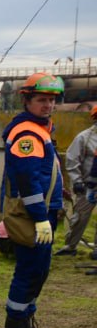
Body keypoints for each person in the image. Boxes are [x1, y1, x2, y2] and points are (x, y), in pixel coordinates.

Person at [0, 72, 66, 328]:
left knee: (39, 271)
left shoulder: (40, 128)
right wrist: (39, 217)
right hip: (32, 215)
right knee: (29, 271)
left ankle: (25, 323)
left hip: (43, 213)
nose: (47, 105)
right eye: (41, 100)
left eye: (51, 100)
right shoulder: (26, 133)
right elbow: (28, 179)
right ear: (27, 100)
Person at [58, 103, 97, 257]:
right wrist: (77, 181)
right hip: (89, 187)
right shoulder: (84, 138)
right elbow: (72, 159)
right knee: (80, 218)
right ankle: (70, 246)